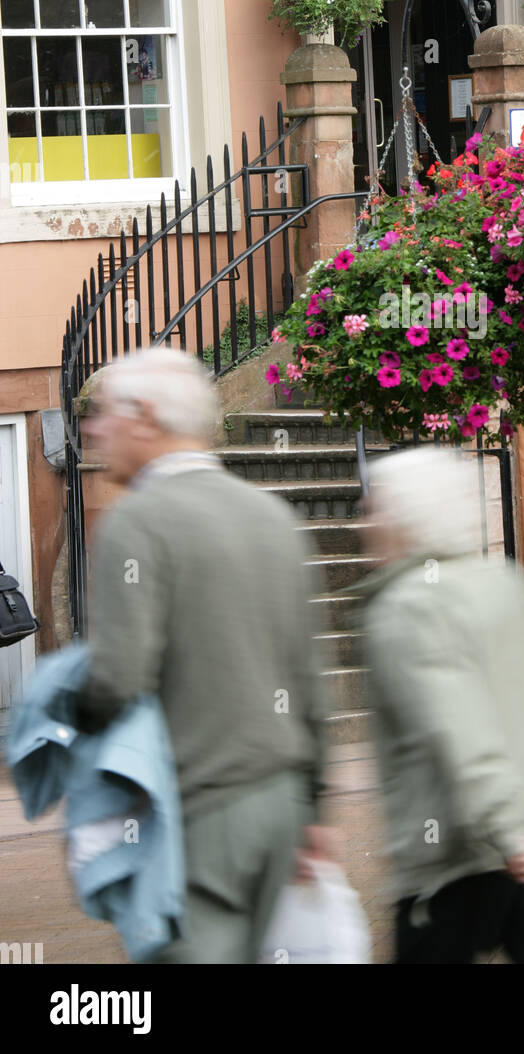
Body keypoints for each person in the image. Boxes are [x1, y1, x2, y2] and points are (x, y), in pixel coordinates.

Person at [78, 346, 333, 964]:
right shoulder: (272, 517)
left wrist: (68, 711)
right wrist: (314, 809)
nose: (91, 429)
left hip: (198, 813)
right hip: (279, 803)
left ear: (144, 417)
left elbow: (119, 675)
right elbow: (309, 680)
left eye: (103, 412)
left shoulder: (136, 524)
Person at [359, 445, 524, 965]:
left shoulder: (407, 607)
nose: (365, 521)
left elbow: (457, 728)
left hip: (455, 854)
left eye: (375, 506)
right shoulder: (503, 582)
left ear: (407, 518)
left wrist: (502, 827)